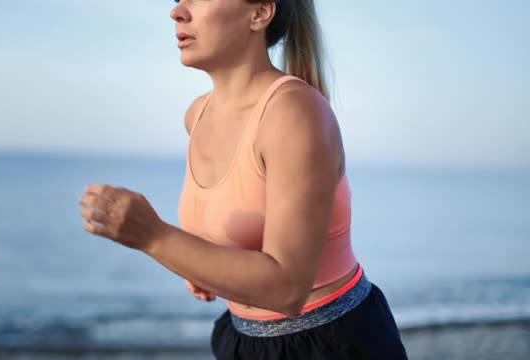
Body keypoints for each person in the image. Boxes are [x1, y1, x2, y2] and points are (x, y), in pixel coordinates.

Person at [79, 0, 409, 358]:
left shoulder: (293, 112)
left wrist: (153, 237)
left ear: (259, 13)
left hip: (330, 343)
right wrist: (198, 265)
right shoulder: (198, 115)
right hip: (241, 340)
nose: (177, 12)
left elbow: (287, 289)